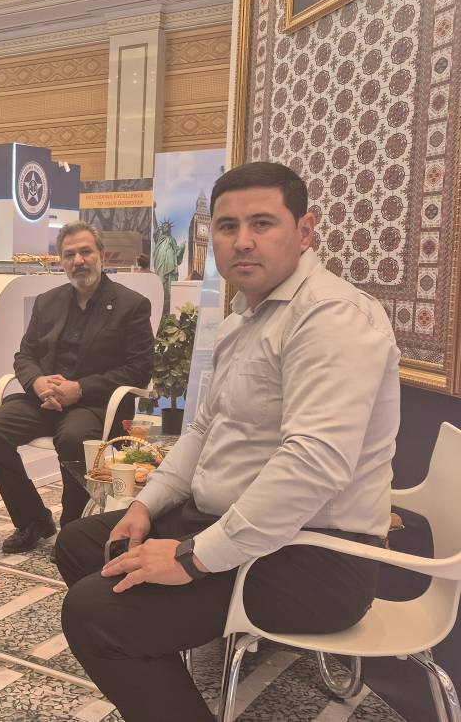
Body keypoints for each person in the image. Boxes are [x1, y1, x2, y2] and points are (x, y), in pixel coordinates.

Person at [56, 161, 400, 721]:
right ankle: (156, 665)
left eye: (262, 223)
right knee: (81, 542)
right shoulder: (244, 317)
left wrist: (193, 557)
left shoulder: (331, 316)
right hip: (236, 525)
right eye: (227, 226)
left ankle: (149, 654)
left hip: (315, 555)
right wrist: (145, 506)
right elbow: (204, 428)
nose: (242, 241)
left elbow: (313, 463)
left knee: (93, 613)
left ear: (304, 231)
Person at [0, 222, 154, 553]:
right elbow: (25, 355)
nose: (78, 260)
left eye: (85, 252)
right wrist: (37, 382)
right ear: (61, 261)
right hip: (45, 401)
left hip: (95, 404)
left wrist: (80, 388)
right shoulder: (48, 302)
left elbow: (139, 370)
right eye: (69, 255)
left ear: (101, 255)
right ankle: (33, 520)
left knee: (73, 438)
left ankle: (73, 531)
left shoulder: (131, 305)